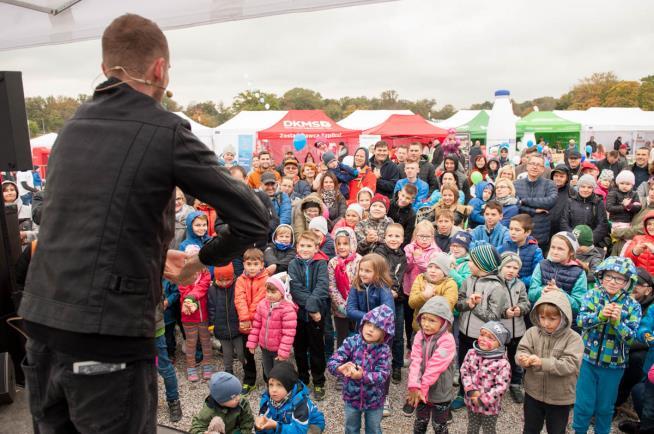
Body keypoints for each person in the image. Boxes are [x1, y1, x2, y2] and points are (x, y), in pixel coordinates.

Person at [573, 256, 642, 434]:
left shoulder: (633, 306)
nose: (612, 281)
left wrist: (618, 322)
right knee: (583, 405)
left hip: (614, 365)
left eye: (619, 278)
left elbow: (631, 338)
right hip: (587, 360)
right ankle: (579, 431)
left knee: (605, 408)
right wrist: (600, 316)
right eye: (609, 276)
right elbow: (580, 321)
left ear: (628, 282)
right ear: (600, 276)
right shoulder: (591, 295)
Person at [516, 290, 584, 434]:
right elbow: (522, 350)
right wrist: (523, 359)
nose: (546, 323)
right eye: (542, 317)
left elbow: (570, 364)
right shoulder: (532, 332)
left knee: (556, 430)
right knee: (530, 429)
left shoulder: (574, 339)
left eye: (552, 319)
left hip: (560, 397)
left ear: (564, 317)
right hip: (533, 393)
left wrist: (542, 362)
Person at [453, 242, 508, 411]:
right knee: (464, 364)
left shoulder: (497, 287)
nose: (468, 264)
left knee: (480, 367)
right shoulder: (468, 280)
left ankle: (482, 395)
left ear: (482, 264)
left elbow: (493, 317)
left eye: (471, 261)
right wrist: (467, 303)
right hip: (464, 332)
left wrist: (475, 306)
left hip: (482, 337)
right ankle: (463, 392)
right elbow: (458, 303)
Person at [328, 304, 394, 434]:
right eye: (368, 324)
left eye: (377, 327)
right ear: (363, 323)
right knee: (351, 428)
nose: (370, 329)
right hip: (351, 397)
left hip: (375, 400)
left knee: (374, 429)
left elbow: (383, 374)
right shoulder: (351, 342)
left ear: (385, 333)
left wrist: (362, 376)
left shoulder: (384, 351)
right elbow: (333, 361)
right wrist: (339, 368)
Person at [404, 296, 457, 433]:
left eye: (432, 320)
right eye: (423, 319)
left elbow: (435, 366)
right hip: (421, 389)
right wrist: (414, 386)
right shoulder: (419, 336)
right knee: (420, 422)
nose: (426, 324)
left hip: (440, 390)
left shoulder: (447, 340)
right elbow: (415, 361)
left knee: (439, 425)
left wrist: (422, 389)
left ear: (444, 323)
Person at [288, 231, 330, 401]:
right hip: (299, 315)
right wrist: (312, 309)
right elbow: (295, 289)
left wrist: (314, 308)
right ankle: (303, 378)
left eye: (309, 246)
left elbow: (322, 286)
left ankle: (319, 381)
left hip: (318, 315)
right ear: (297, 247)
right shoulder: (293, 264)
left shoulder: (321, 264)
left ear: (316, 248)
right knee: (299, 349)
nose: (305, 249)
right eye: (302, 246)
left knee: (317, 349)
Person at [460, 321, 512, 434]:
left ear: (500, 344)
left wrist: (483, 399)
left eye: (490, 338)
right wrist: (471, 391)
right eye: (482, 334)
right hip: (472, 401)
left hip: (490, 407)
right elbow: (465, 371)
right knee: (472, 427)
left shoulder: (502, 363)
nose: (483, 339)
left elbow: (501, 387)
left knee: (488, 430)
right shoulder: (471, 353)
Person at [372, 223, 408, 383]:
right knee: (379, 332)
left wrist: (396, 291)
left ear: (402, 239)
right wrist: (389, 290)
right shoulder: (379, 252)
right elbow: (381, 272)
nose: (393, 239)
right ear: (384, 237)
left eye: (397, 236)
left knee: (398, 335)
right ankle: (377, 362)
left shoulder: (403, 255)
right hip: (381, 298)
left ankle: (397, 366)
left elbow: (400, 276)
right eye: (390, 236)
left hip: (398, 300)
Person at [247, 273, 298, 378]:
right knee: (268, 372)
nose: (269, 295)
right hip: (264, 347)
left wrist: (283, 352)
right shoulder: (262, 305)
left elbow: (288, 334)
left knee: (278, 374)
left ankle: (281, 392)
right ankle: (271, 390)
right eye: (268, 291)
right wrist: (252, 343)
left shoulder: (287, 310)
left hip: (278, 349)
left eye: (273, 292)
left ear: (282, 293)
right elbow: (256, 325)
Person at [254, 361, 325, 434]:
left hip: (310, 424)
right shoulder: (266, 400)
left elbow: (299, 431)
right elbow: (265, 422)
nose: (273, 390)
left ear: (289, 387)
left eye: (279, 385)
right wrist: (259, 427)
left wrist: (276, 426)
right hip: (284, 422)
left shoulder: (300, 403)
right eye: (271, 384)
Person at [235, 248, 270, 394]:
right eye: (249, 264)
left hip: (262, 322)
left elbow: (260, 299)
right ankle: (249, 379)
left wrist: (249, 317)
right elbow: (239, 298)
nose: (252, 267)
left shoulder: (267, 279)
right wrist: (244, 318)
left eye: (255, 264)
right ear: (244, 264)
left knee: (266, 352)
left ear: (262, 264)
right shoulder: (240, 280)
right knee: (247, 352)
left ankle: (269, 380)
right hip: (245, 322)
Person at [498, 252, 530, 403]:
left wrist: (521, 309)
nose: (511, 270)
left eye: (515, 268)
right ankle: (496, 382)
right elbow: (492, 305)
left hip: (517, 329)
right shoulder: (495, 284)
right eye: (508, 266)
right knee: (497, 358)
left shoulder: (520, 285)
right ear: (501, 267)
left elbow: (526, 302)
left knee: (516, 358)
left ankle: (515, 384)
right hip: (499, 330)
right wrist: (504, 313)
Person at [403, 221, 441, 350]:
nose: (424, 239)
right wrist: (410, 258)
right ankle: (410, 345)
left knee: (423, 319)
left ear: (432, 237)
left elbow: (430, 271)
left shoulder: (436, 251)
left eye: (428, 236)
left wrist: (418, 259)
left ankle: (424, 346)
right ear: (415, 235)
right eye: (421, 236)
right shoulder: (409, 248)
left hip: (426, 292)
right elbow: (405, 268)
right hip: (409, 290)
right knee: (409, 320)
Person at [529, 231, 586, 316]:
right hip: (540, 317)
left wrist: (560, 294)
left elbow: (578, 306)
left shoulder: (579, 273)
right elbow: (531, 294)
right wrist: (542, 290)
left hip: (566, 322)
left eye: (560, 249)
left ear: (571, 252)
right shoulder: (542, 265)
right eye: (553, 247)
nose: (555, 252)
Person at [179, 251, 215, 381]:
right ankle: (191, 367)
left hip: (204, 316)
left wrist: (190, 298)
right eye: (190, 258)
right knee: (191, 343)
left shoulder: (205, 274)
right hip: (188, 316)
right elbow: (184, 290)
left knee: (206, 342)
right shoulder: (183, 275)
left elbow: (203, 287)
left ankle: (207, 364)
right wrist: (189, 303)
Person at [207, 263, 245, 376]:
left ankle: (246, 367)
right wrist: (211, 325)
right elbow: (211, 308)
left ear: (232, 276)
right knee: (227, 353)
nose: (224, 283)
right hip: (221, 327)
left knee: (241, 352)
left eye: (227, 280)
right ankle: (229, 371)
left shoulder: (238, 285)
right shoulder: (212, 290)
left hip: (237, 328)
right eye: (221, 280)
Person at [514, 153, 558, 248]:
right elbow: (515, 204)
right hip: (519, 233)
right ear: (527, 166)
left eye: (538, 165)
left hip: (541, 235)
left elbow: (550, 201)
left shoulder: (550, 184)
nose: (535, 167)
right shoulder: (516, 184)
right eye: (532, 164)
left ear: (543, 169)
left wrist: (525, 201)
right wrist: (534, 210)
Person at [329, 228, 362, 352]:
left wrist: (352, 304)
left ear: (352, 243)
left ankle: (356, 361)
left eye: (345, 243)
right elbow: (332, 286)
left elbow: (360, 283)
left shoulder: (359, 260)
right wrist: (342, 305)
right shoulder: (333, 262)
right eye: (339, 244)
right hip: (340, 309)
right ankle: (341, 362)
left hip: (356, 306)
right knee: (342, 337)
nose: (342, 247)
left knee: (357, 336)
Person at [189, 372, 255, 434]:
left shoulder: (242, 403)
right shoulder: (209, 411)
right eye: (233, 397)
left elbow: (248, 421)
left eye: (238, 393)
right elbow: (195, 427)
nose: (238, 398)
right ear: (221, 400)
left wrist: (244, 432)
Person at [409, 253, 458, 330]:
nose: (432, 270)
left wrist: (431, 297)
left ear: (445, 271)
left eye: (438, 268)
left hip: (440, 331)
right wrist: (424, 296)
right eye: (430, 267)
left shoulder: (450, 283)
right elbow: (412, 303)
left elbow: (447, 307)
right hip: (420, 328)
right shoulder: (420, 278)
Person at [561, 174, 610, 247]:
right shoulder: (570, 202)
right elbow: (564, 222)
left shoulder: (598, 203)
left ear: (593, 188)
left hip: (592, 243)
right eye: (583, 186)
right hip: (572, 242)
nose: (585, 190)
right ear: (578, 187)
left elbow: (602, 224)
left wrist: (589, 240)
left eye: (589, 187)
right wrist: (574, 238)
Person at [499, 214, 543, 288]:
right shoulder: (505, 246)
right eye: (511, 229)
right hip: (504, 287)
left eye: (517, 230)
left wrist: (519, 280)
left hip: (524, 289)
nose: (513, 232)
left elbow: (537, 276)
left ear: (528, 232)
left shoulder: (535, 251)